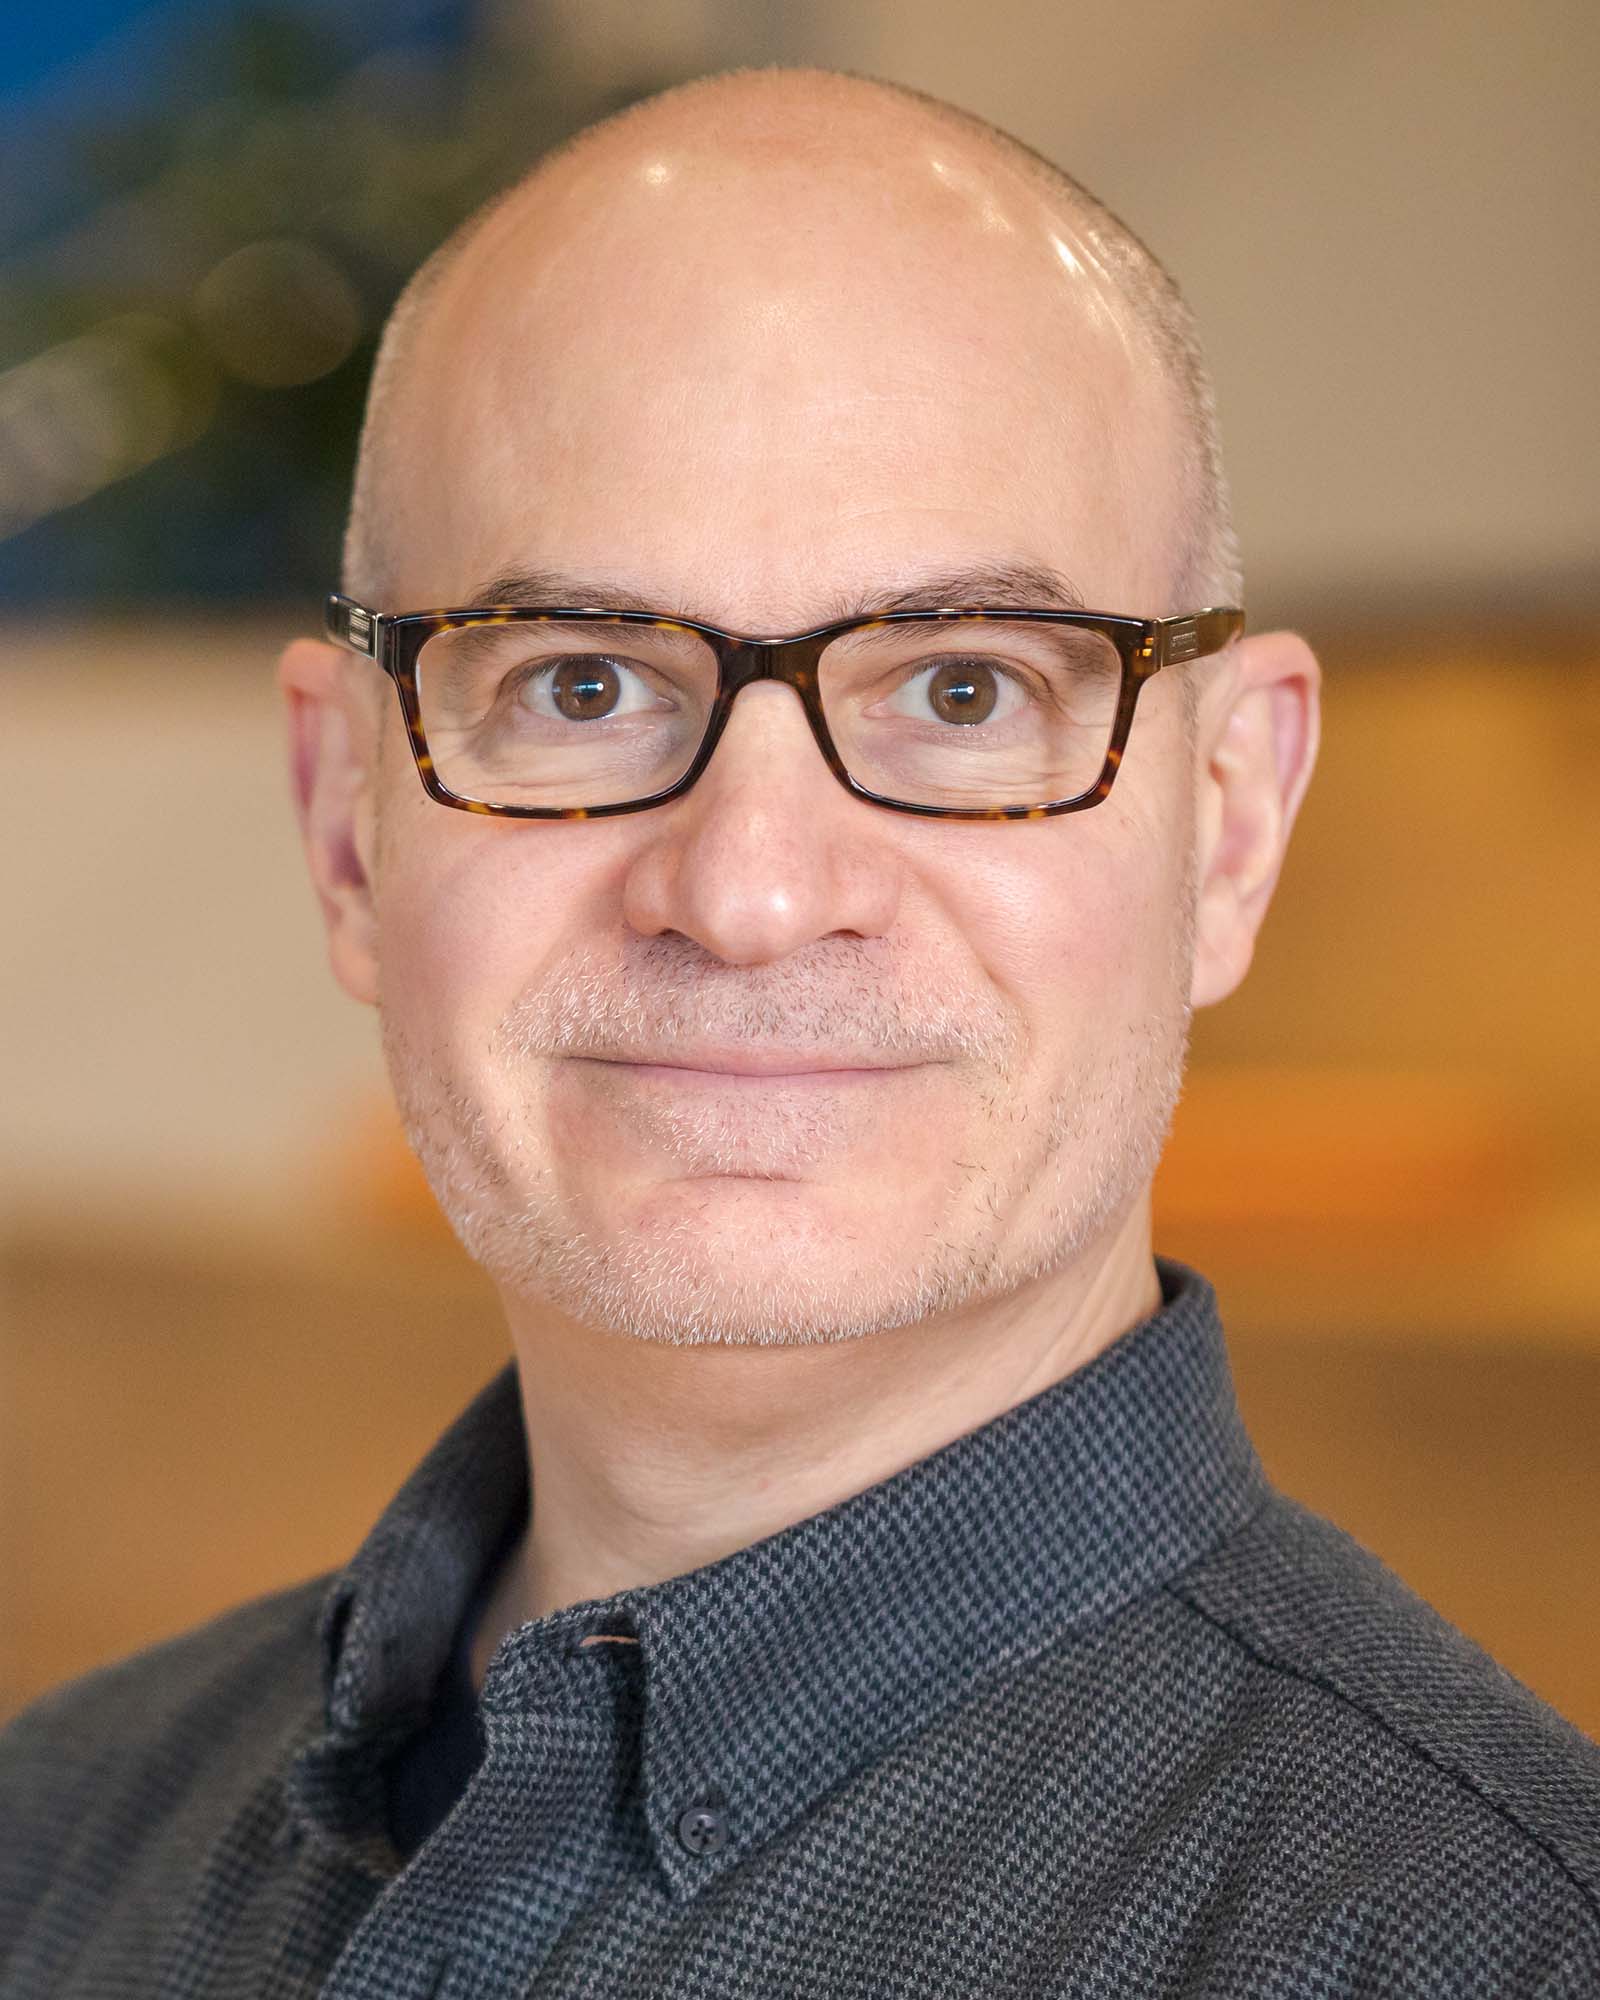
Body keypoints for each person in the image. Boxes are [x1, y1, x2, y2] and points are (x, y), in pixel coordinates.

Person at [3, 63, 1597, 2000]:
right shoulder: (50, 1838)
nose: (750, 891)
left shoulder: (1490, 1948)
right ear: (349, 823)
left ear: (1233, 823)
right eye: (582, 682)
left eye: (958, 684)